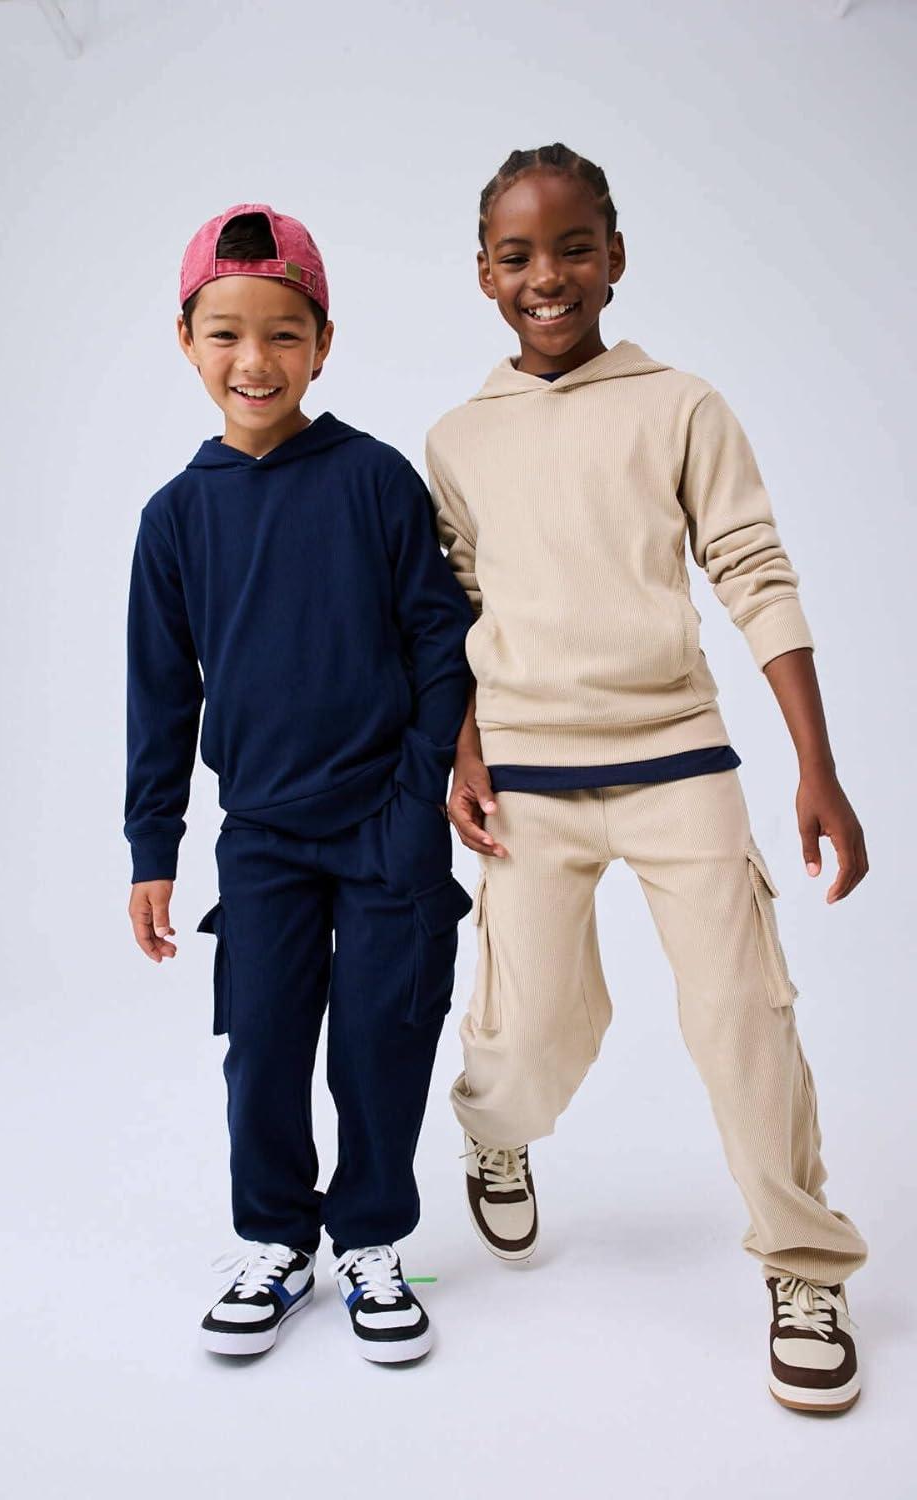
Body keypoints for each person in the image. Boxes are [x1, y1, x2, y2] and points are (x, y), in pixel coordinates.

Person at [426, 145, 868, 1412]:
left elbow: (752, 570)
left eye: (574, 248)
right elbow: (452, 611)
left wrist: (817, 765)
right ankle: (495, 1136)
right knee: (533, 1039)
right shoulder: (456, 440)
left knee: (742, 1018)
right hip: (527, 775)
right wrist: (460, 749)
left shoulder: (680, 405)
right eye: (518, 255)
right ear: (483, 274)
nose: (547, 276)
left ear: (614, 257)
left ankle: (803, 1265)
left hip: (677, 759)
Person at [125, 203, 473, 1363]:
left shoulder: (374, 480)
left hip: (385, 825)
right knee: (263, 1045)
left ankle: (371, 1239)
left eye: (283, 333)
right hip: (263, 835)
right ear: (186, 341)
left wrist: (420, 785)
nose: (255, 359)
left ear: (322, 344)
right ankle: (276, 1239)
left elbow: (438, 638)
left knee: (382, 1038)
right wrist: (153, 849)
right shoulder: (176, 519)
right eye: (226, 333)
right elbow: (160, 695)